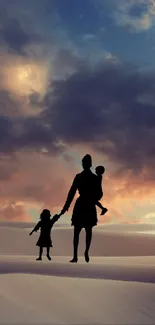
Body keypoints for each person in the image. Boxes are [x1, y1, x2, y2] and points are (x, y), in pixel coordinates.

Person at [59, 154, 103, 263]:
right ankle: (75, 256)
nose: (84, 164)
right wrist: (66, 206)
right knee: (76, 231)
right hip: (81, 204)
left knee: (88, 231)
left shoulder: (95, 178)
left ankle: (86, 252)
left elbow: (99, 194)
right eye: (83, 162)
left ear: (90, 164)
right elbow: (72, 192)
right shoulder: (79, 176)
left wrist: (99, 180)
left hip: (88, 204)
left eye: (86, 162)